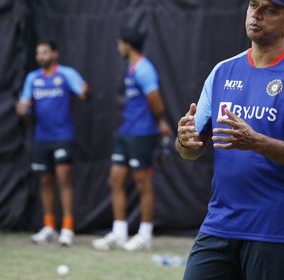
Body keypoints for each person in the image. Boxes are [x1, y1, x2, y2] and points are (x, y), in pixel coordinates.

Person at [176, 0, 284, 279]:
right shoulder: (222, 71)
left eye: (269, 9)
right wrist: (185, 141)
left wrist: (257, 142)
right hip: (220, 224)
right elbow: (191, 150)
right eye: (253, 6)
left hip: (275, 229)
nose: (256, 14)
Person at [92, 27, 173, 251]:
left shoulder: (144, 69)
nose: (118, 47)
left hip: (143, 133)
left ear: (127, 45)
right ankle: (119, 233)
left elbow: (155, 100)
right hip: (126, 132)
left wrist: (160, 122)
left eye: (119, 43)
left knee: (142, 183)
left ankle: (145, 235)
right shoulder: (132, 67)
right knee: (115, 179)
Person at [17, 40, 89, 246]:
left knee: (64, 180)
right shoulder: (32, 78)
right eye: (38, 53)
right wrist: (23, 109)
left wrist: (85, 91)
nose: (41, 56)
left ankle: (67, 227)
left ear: (54, 54)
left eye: (45, 52)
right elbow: (26, 104)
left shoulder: (66, 74)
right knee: (45, 182)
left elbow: (84, 94)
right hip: (41, 138)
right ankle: (49, 226)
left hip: (62, 136)